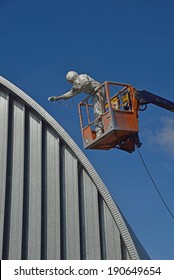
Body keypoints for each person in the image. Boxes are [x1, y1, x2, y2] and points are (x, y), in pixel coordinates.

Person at [48, 71, 105, 137]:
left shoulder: (81, 77)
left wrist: (78, 87)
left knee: (97, 111)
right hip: (94, 93)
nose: (69, 82)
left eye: (69, 80)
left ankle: (99, 130)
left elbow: (85, 82)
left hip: (98, 91)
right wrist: (58, 98)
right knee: (98, 111)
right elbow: (70, 93)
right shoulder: (76, 85)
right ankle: (101, 128)